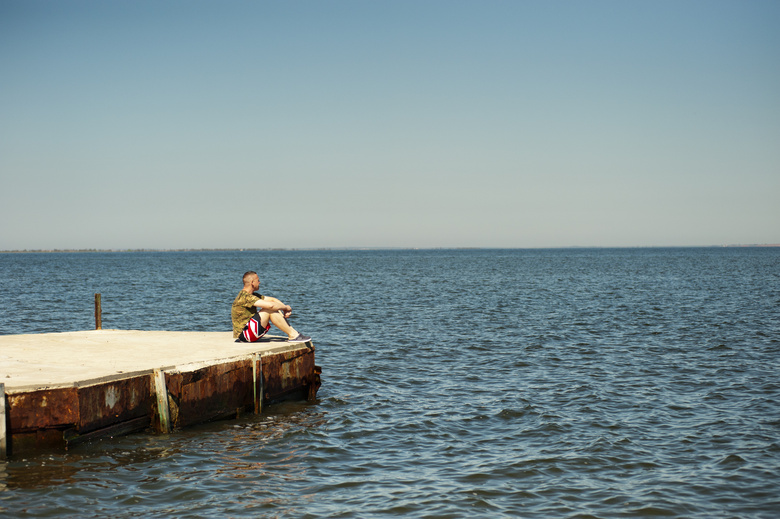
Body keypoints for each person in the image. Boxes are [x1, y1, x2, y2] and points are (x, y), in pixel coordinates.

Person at [232, 271, 311, 343]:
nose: (259, 282)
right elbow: (271, 305)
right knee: (269, 309)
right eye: (258, 280)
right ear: (252, 282)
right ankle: (293, 335)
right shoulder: (245, 297)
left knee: (274, 308)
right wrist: (286, 308)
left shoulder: (252, 295)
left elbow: (272, 300)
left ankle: (294, 334)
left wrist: (284, 310)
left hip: (247, 334)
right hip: (245, 335)